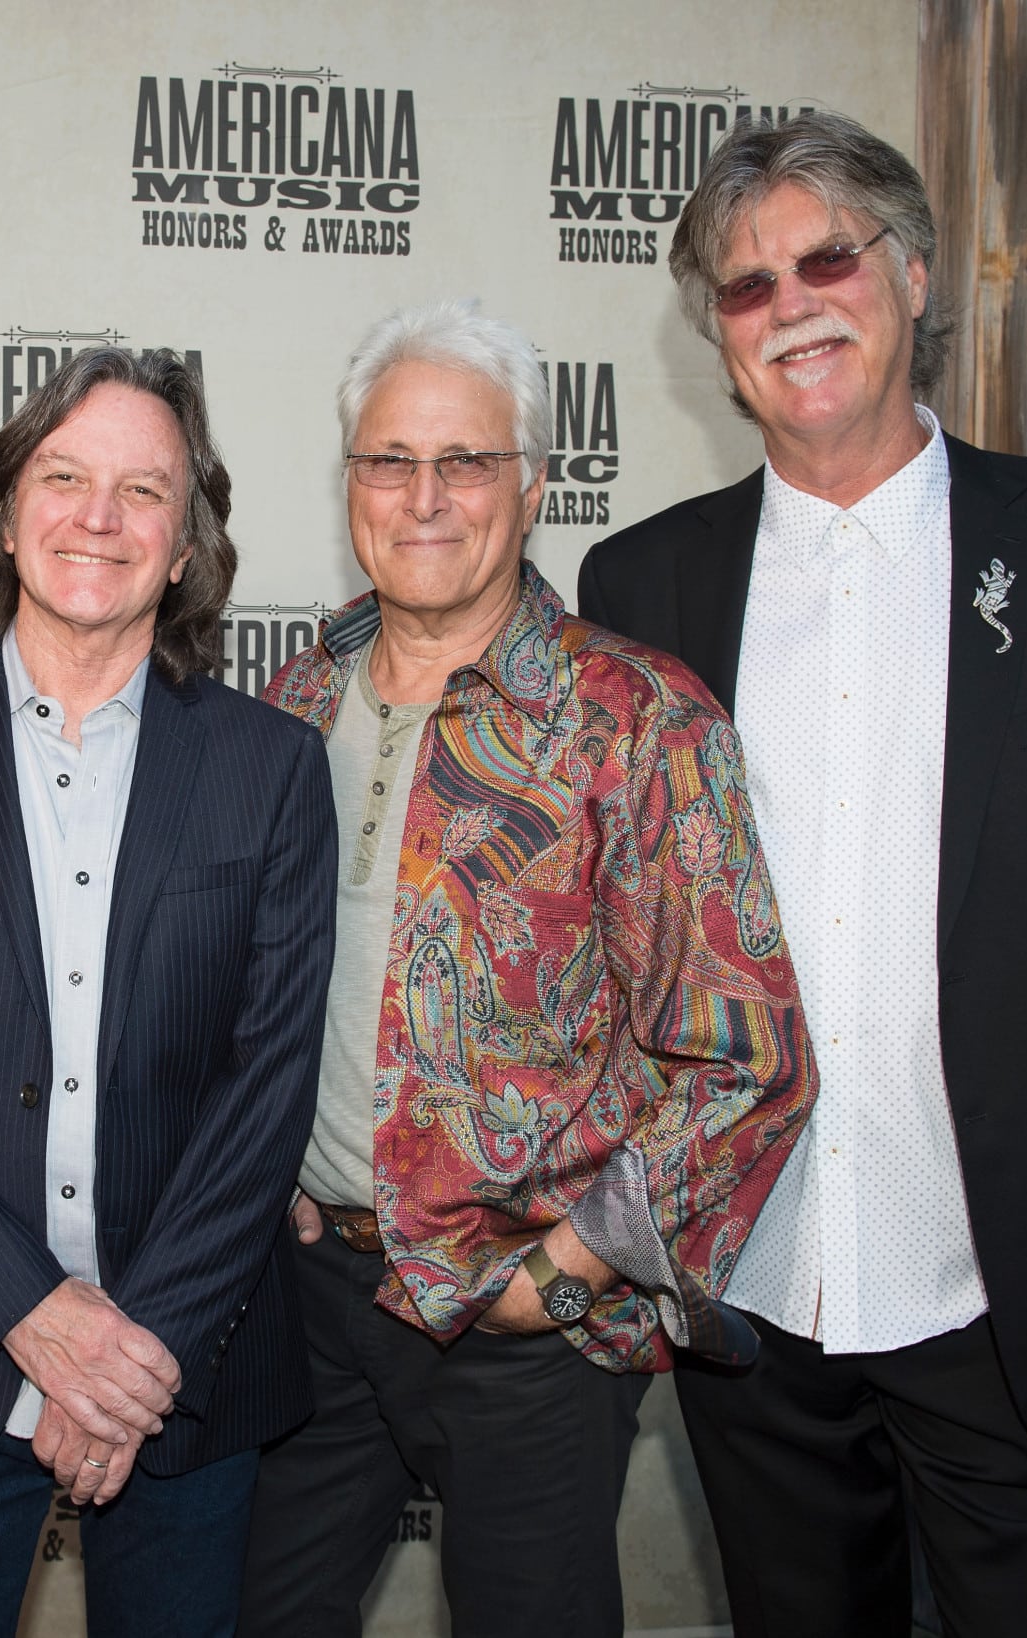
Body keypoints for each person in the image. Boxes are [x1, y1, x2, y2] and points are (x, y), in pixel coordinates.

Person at [577, 110, 1027, 1638]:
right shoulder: (641, 586)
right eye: (747, 286)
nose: (794, 303)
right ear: (718, 337)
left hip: (1021, 1285)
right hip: (750, 1292)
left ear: (913, 273)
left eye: (828, 257)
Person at [238, 299, 817, 1637]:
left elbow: (745, 1057)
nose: (425, 495)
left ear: (533, 484)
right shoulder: (295, 694)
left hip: (525, 1333)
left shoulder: (638, 717)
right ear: (351, 485)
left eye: (467, 461)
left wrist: (564, 1273)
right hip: (320, 1296)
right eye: (390, 459)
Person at [0, 346, 336, 1637]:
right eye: (65, 475)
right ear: (3, 512)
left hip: (184, 1375)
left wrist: (128, 1364)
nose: (100, 515)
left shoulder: (271, 769)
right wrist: (32, 1317)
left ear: (188, 546)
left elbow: (267, 1098)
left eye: (145, 489)